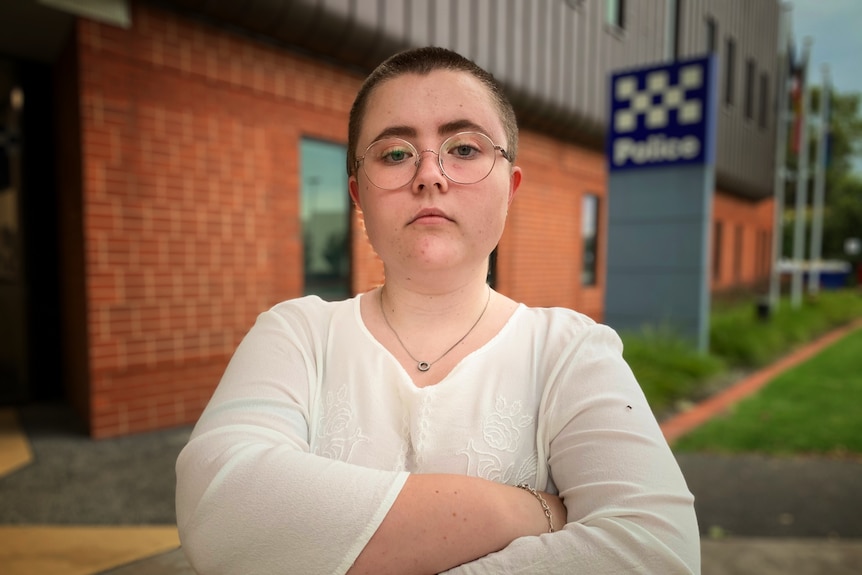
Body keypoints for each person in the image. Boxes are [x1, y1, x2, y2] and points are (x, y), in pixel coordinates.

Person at [175, 46, 700, 574]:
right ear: (359, 195)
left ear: (510, 187)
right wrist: (521, 510)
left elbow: (656, 553)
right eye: (395, 153)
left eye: (465, 148)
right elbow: (221, 513)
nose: (430, 174)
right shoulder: (296, 335)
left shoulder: (570, 352)